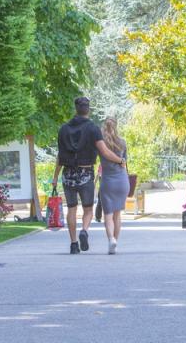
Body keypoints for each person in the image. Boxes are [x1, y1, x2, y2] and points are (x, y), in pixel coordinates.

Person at [52, 97, 125, 254]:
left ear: (75, 109)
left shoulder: (63, 129)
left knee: (71, 209)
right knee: (88, 209)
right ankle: (84, 230)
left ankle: (73, 244)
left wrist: (55, 176)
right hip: (85, 173)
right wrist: (120, 160)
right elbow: (104, 151)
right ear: (88, 109)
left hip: (68, 174)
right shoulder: (93, 128)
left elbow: (60, 155)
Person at [99, 118, 130, 255]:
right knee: (117, 215)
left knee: (108, 214)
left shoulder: (100, 143)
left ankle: (111, 239)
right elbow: (125, 162)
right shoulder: (122, 142)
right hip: (122, 180)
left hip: (108, 181)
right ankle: (115, 242)